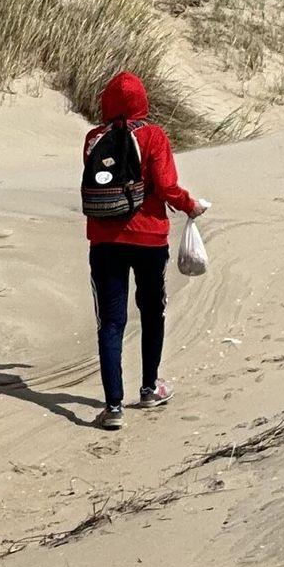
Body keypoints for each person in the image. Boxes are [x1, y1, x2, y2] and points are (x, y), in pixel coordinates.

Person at [81, 71, 207, 431]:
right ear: (142, 102)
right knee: (152, 311)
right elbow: (166, 186)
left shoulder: (94, 139)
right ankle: (150, 388)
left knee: (111, 322)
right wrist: (190, 205)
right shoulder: (154, 136)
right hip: (149, 239)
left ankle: (113, 407)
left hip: (104, 241)